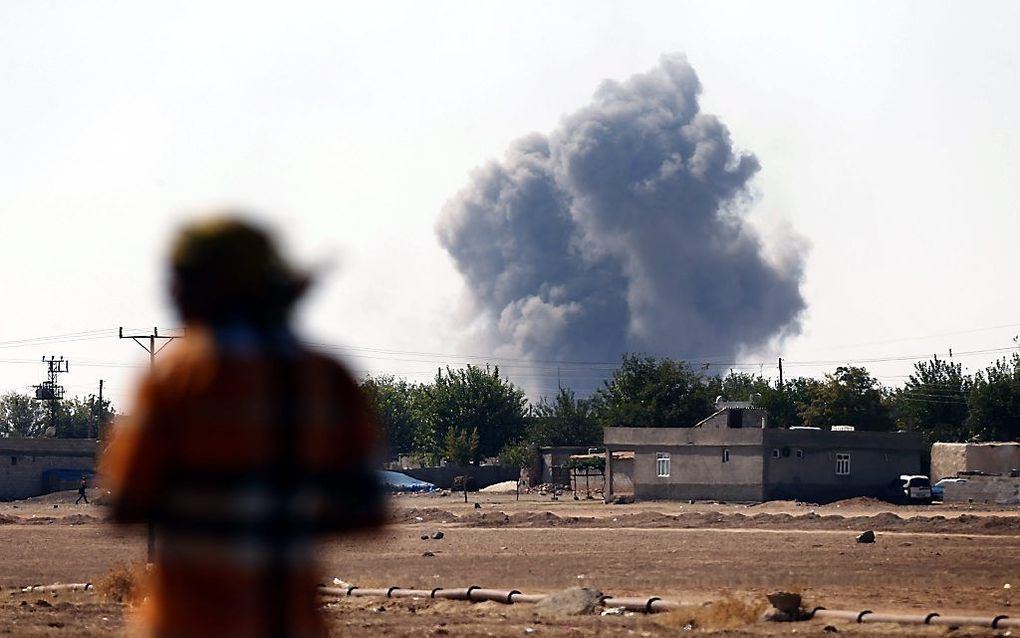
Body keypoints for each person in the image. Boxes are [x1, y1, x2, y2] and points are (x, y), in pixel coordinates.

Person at [101, 215, 384, 638]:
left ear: (215, 286)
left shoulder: (176, 377)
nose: (173, 290)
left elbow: (124, 505)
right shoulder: (328, 377)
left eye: (185, 277)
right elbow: (367, 514)